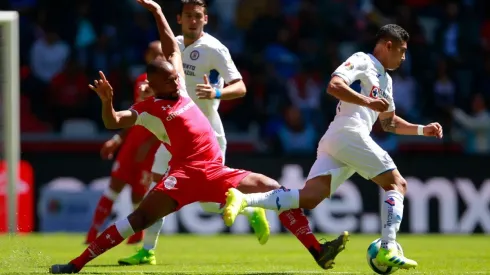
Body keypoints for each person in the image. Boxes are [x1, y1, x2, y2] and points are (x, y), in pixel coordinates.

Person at [49, 1, 346, 273]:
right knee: (137, 219)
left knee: (273, 189)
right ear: (153, 84)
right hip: (184, 176)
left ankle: (317, 250)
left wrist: (157, 13)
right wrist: (106, 102)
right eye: (170, 78)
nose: (178, 80)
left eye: (176, 76)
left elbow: (173, 51)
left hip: (216, 171)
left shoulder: (178, 89)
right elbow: (113, 121)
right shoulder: (149, 109)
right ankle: (77, 264)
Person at [223, 24, 444, 271]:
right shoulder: (362, 60)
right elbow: (334, 86)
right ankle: (388, 248)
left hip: (341, 139)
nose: (404, 57)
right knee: (397, 184)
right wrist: (367, 101)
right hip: (349, 131)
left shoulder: (387, 80)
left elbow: (389, 122)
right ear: (387, 45)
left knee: (309, 198)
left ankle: (244, 200)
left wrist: (422, 129)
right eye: (401, 51)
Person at [118, 0, 269, 265]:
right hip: (175, 134)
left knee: (208, 204)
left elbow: (241, 87)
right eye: (188, 16)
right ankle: (148, 250)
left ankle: (250, 208)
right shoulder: (173, 45)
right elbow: (167, 84)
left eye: (198, 16)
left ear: (206, 19)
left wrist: (217, 92)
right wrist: (149, 92)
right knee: (156, 186)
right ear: (179, 18)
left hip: (206, 135)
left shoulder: (215, 49)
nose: (193, 20)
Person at [84, 41, 162, 245]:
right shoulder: (141, 80)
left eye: (161, 54)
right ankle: (92, 233)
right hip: (131, 145)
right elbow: (135, 115)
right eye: (154, 53)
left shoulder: (170, 84)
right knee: (114, 187)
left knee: (139, 195)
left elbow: (166, 119)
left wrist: (148, 144)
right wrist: (118, 139)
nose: (157, 58)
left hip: (152, 150)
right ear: (146, 56)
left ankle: (137, 236)